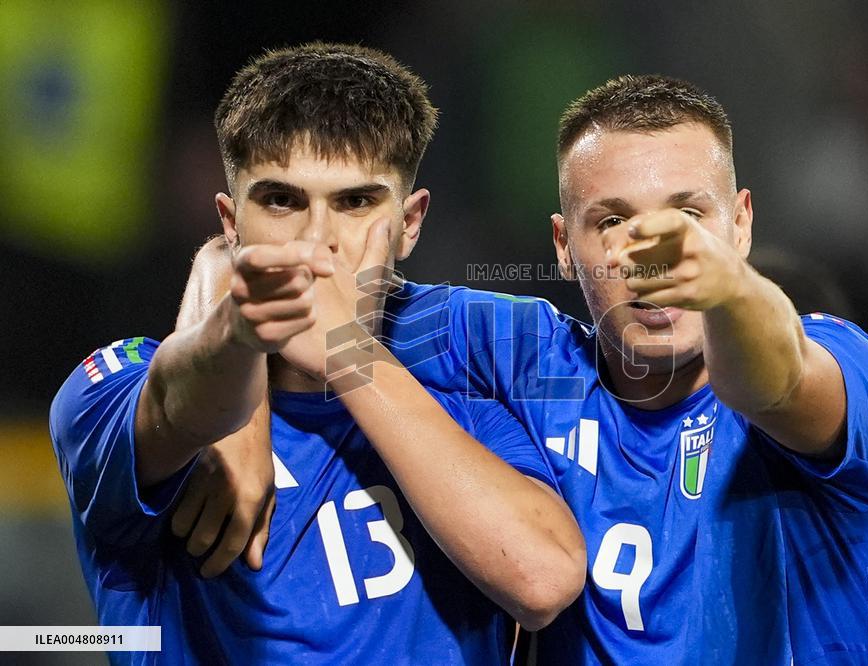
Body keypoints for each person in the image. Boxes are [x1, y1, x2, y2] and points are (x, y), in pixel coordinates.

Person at [187, 75, 868, 664]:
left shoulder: (843, 362)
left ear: (741, 223)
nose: (651, 252)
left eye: (688, 216)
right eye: (613, 222)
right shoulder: (531, 358)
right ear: (563, 246)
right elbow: (303, 282)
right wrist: (234, 409)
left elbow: (773, 379)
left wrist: (727, 289)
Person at [49, 42, 585, 664]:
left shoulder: (465, 402)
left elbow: (542, 581)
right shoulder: (109, 389)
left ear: (410, 223)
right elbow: (174, 396)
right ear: (229, 220)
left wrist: (346, 353)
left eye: (355, 202)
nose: (315, 242)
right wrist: (241, 334)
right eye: (281, 201)